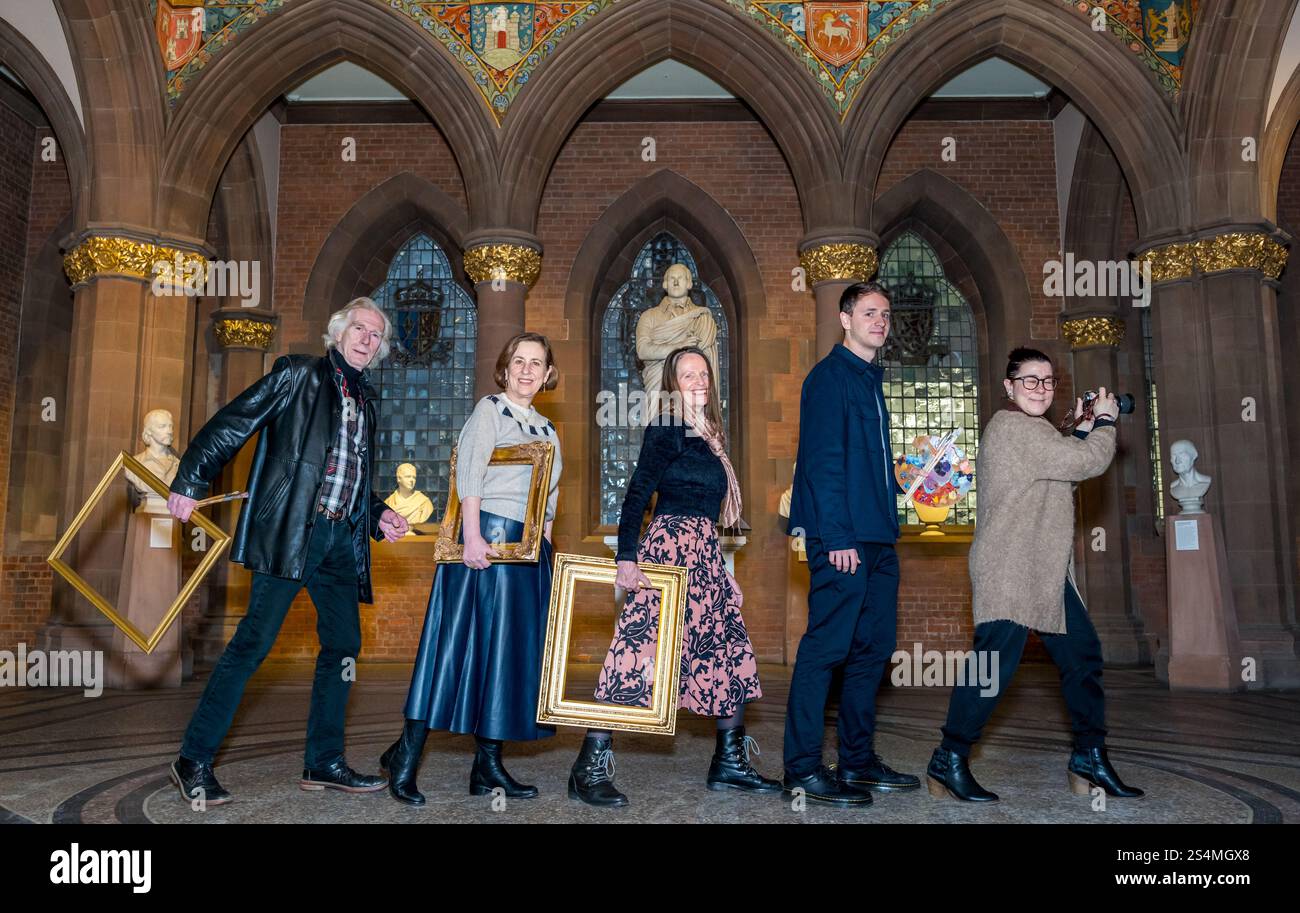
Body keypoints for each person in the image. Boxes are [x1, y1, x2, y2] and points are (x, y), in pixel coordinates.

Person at [166, 297, 409, 806]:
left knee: (343, 648)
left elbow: (347, 472)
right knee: (252, 644)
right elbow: (235, 421)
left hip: (342, 542)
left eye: (375, 335)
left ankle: (324, 761)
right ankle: (194, 757)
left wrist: (378, 511)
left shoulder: (366, 401)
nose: (366, 339)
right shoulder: (298, 375)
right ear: (338, 332)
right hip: (295, 533)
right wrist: (191, 476)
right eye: (359, 329)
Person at [926, 347, 1143, 801]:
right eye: (1030, 380)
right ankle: (949, 758)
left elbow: (1063, 462)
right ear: (1009, 387)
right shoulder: (1010, 427)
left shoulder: (1037, 433)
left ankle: (1089, 756)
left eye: (1047, 381)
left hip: (1042, 570)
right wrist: (1103, 421)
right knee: (993, 668)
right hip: (1008, 566)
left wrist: (1082, 426)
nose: (1041, 389)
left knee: (1082, 658)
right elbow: (1085, 463)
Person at [569, 345, 778, 807]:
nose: (698, 380)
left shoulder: (711, 437)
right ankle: (589, 764)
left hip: (704, 553)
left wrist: (726, 572)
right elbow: (637, 494)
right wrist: (627, 557)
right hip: (667, 550)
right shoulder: (667, 427)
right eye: (687, 375)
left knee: (730, 652)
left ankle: (729, 763)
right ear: (672, 384)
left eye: (703, 373)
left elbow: (708, 514)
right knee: (638, 652)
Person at [382, 333, 563, 805]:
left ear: (547, 375)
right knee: (451, 646)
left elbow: (550, 498)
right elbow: (470, 472)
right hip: (484, 542)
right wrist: (474, 536)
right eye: (518, 360)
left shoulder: (547, 430)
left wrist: (545, 547)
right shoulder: (490, 410)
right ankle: (405, 758)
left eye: (536, 363)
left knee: (505, 655)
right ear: (505, 369)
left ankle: (487, 768)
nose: (526, 370)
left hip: (526, 555)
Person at [785, 281, 919, 807]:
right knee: (826, 650)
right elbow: (821, 464)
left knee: (872, 651)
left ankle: (857, 762)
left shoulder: (870, 381)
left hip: (879, 537)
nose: (880, 321)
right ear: (845, 319)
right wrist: (838, 536)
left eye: (885, 314)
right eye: (869, 312)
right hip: (842, 538)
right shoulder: (829, 379)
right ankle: (802, 768)